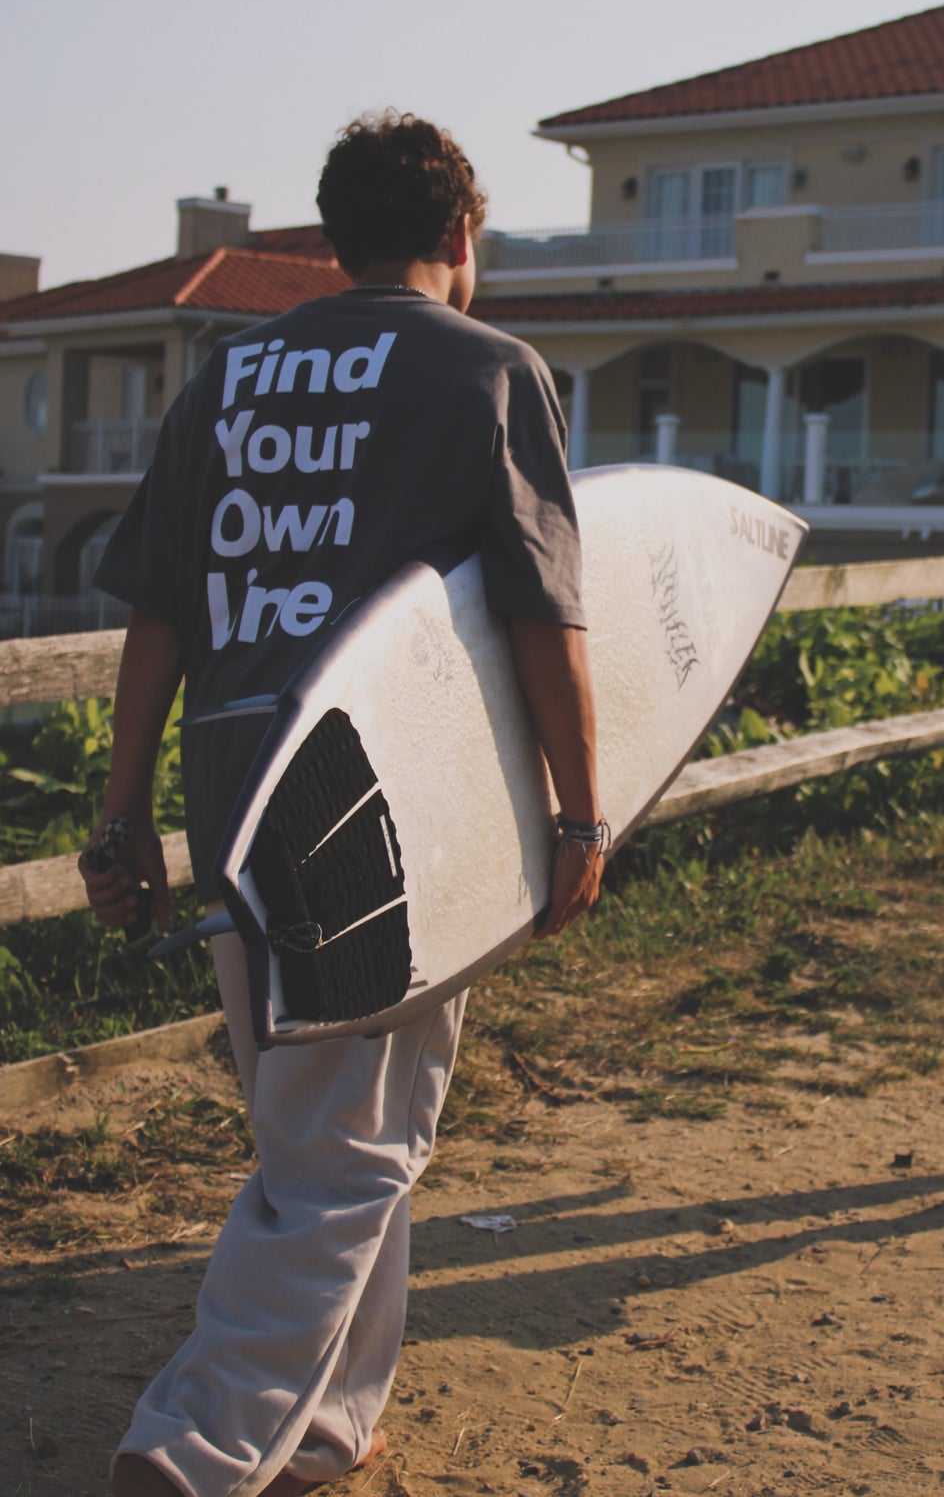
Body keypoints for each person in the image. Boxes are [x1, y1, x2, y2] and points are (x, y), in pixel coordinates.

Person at [79, 111, 605, 1495]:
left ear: (331, 239)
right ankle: (187, 1452)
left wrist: (124, 809)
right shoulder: (490, 368)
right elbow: (550, 617)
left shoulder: (230, 374)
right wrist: (583, 810)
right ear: (462, 236)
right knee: (348, 1146)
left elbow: (157, 611)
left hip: (231, 779)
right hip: (382, 795)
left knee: (319, 1119)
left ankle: (327, 1420)